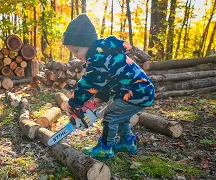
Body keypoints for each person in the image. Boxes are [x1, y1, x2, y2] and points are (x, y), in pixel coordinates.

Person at [61, 14, 155, 158]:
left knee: (110, 116)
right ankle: (127, 142)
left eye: (77, 51)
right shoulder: (105, 53)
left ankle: (105, 148)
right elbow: (106, 80)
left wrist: (74, 102)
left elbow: (88, 83)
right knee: (121, 117)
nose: (77, 56)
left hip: (137, 92)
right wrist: (98, 98)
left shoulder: (98, 58)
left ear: (88, 44)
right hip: (140, 92)